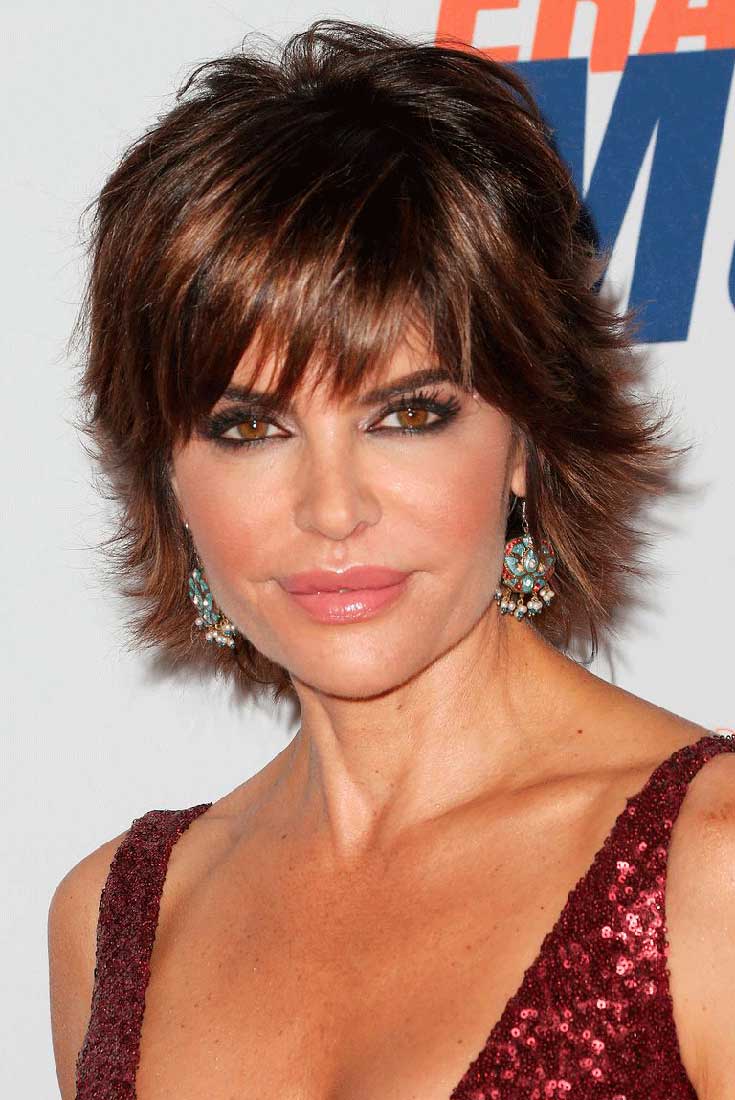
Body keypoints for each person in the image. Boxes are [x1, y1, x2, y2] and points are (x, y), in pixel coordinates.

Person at [48, 17, 735, 1100]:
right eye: (248, 427)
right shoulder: (117, 917)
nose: (333, 509)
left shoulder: (712, 866)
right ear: (169, 478)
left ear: (525, 440)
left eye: (408, 414)